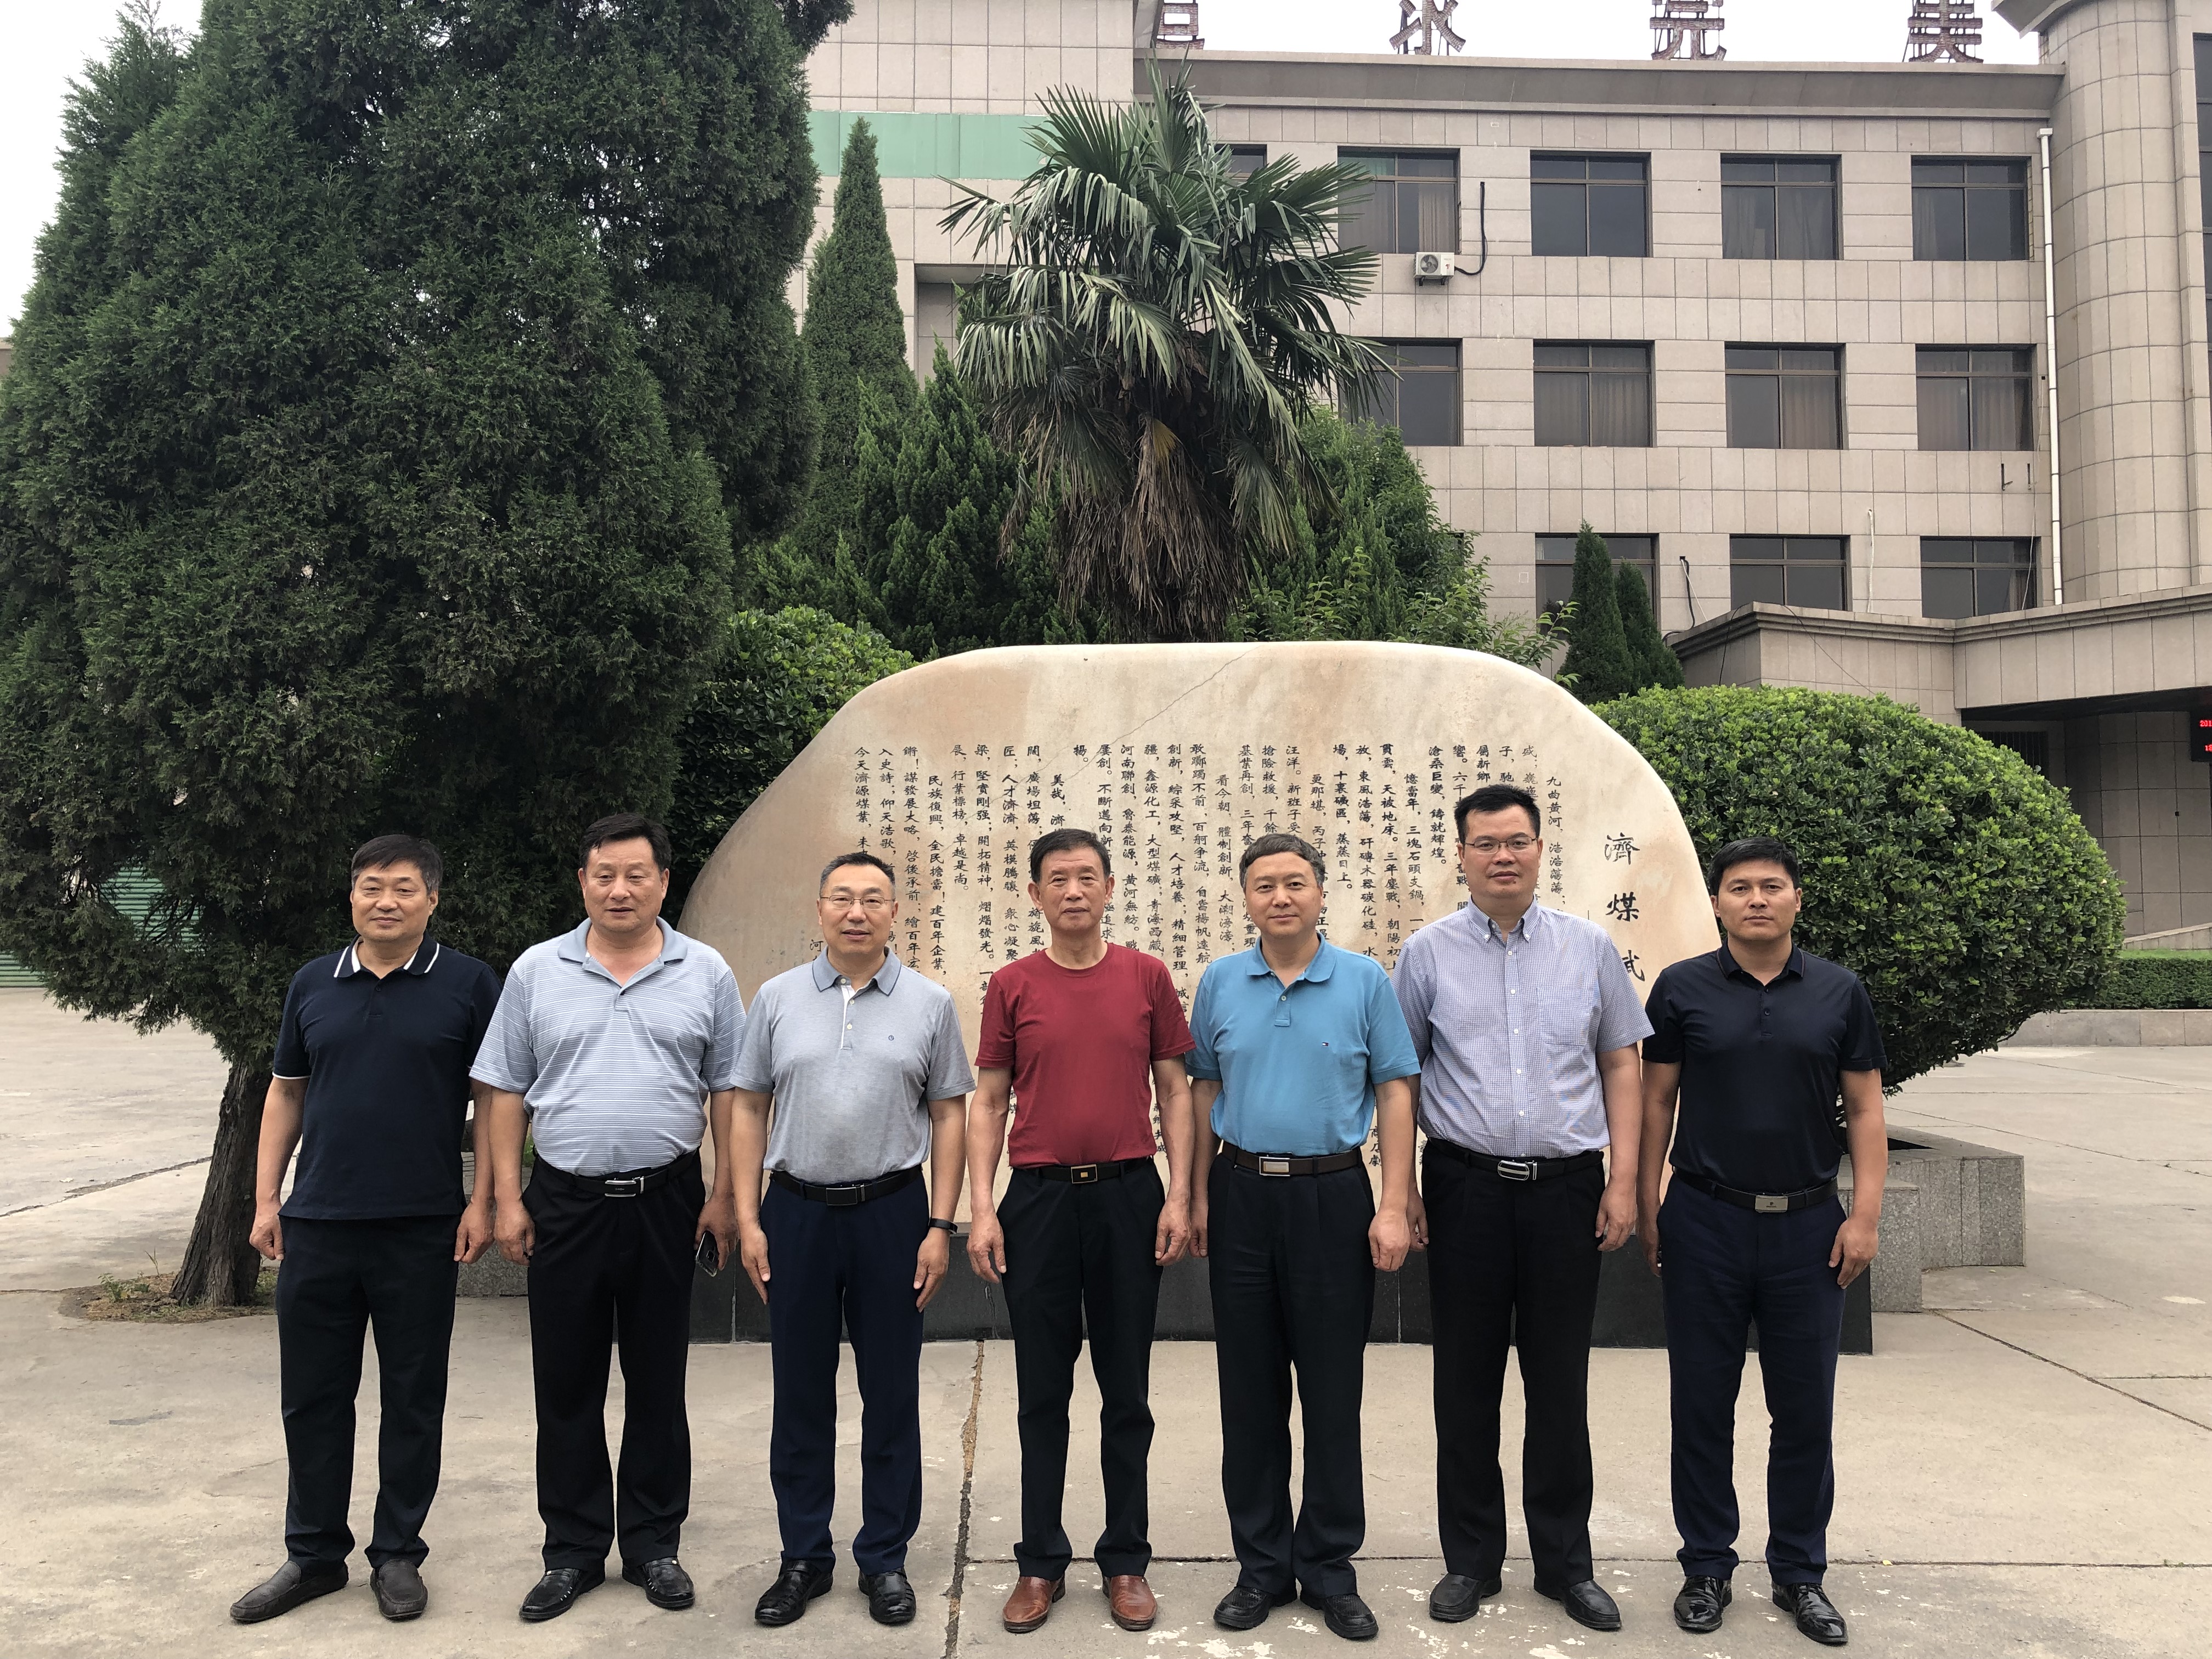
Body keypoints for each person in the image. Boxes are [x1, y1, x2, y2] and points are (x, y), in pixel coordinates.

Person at [474, 813, 744, 1624]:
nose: (619, 889)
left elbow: (729, 1090)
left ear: (663, 881)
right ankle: (573, 1550)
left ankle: (655, 1545)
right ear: (583, 882)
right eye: (603, 875)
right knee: (566, 1383)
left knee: (659, 1380)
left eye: (635, 875)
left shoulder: (705, 970)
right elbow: (503, 1089)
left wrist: (727, 1194)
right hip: (565, 1203)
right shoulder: (537, 970)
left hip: (669, 1200)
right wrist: (508, 1197)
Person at [1392, 784, 1650, 1634]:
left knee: (1559, 1381)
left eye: (1517, 841)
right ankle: (1471, 1561)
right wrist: (1404, 1188)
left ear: (1541, 849)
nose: (1502, 856)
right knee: (1465, 1383)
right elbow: (1402, 1076)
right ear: (1461, 856)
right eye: (1485, 843)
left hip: (1567, 1190)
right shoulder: (1426, 955)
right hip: (1463, 1188)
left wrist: (1622, 1181)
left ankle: (1565, 1565)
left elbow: (1621, 1064)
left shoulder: (1589, 947)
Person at [230, 834, 502, 1626]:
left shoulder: (468, 983)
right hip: (318, 1223)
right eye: (372, 887)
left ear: (432, 899)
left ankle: (398, 1555)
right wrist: (267, 1201)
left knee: (414, 1397)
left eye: (405, 888)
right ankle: (314, 1554)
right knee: (313, 1397)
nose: (387, 901)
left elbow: (494, 1099)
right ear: (352, 896)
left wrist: (483, 1200)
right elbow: (286, 1092)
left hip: (422, 1226)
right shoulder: (314, 982)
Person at [1636, 836, 1886, 1650]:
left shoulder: (1840, 992)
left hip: (1810, 1227)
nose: (1756, 900)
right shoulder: (1682, 989)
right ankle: (1707, 1566)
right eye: (1739, 887)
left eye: (1771, 886)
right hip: (1705, 1218)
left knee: (1804, 1410)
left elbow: (1867, 1110)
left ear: (1796, 899)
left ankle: (1800, 1572)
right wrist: (1647, 1201)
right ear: (1717, 903)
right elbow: (1657, 1101)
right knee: (1701, 1405)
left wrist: (1864, 1217)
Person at [1186, 832, 1421, 1644]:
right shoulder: (1222, 980)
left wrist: (1394, 1203)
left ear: (1321, 893)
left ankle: (1327, 1567)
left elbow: (1395, 1090)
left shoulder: (1363, 980)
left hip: (1333, 1196)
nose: (1280, 897)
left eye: (1295, 883)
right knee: (1249, 1391)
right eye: (1264, 885)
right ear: (1246, 898)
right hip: (1241, 1191)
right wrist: (1194, 1194)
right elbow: (1202, 1089)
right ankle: (1260, 1567)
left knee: (1330, 1392)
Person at [730, 851, 972, 1630]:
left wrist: (941, 1225)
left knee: (890, 1392)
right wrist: (748, 1218)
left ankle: (884, 1558)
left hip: (892, 1214)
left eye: (873, 899)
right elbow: (747, 1106)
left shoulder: (930, 1002)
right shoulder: (776, 998)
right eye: (842, 898)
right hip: (795, 1212)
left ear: (895, 912)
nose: (856, 912)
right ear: (820, 908)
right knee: (800, 1392)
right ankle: (803, 1556)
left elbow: (950, 1113)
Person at [967, 828, 1197, 1637]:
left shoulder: (1146, 976)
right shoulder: (1013, 986)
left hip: (1130, 1197)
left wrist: (1179, 1195)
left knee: (1126, 1389)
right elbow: (988, 1101)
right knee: (1042, 1391)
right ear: (1035, 895)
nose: (1073, 891)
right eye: (1057, 879)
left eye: (1087, 877)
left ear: (1109, 888)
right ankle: (1040, 1561)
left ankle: (1126, 1559)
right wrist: (982, 1209)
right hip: (1037, 1202)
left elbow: (1175, 1090)